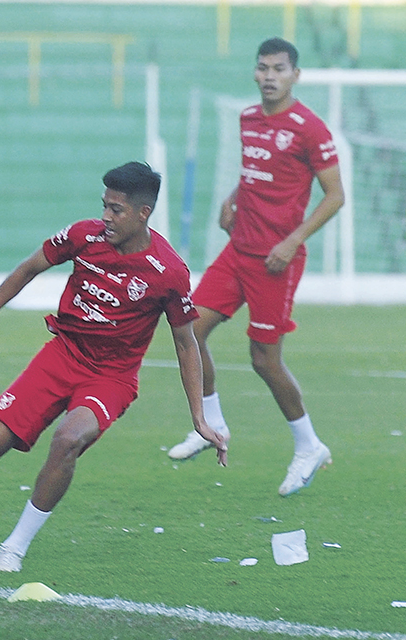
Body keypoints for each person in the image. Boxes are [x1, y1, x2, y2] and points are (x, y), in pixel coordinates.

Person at [0, 162, 227, 573]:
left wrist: (199, 418)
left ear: (143, 213)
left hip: (110, 378)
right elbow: (29, 267)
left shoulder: (168, 272)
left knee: (68, 440)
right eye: (103, 206)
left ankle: (13, 548)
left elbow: (185, 343)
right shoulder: (84, 236)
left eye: (116, 210)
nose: (105, 217)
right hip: (61, 356)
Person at [165, 37, 345, 497]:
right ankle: (212, 423)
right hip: (237, 249)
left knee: (263, 359)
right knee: (188, 328)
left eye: (279, 69)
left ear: (295, 75)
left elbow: (335, 196)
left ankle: (309, 446)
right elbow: (253, 174)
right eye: (263, 67)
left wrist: (293, 240)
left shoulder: (310, 128)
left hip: (275, 259)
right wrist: (231, 200)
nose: (269, 76)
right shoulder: (247, 118)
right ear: (255, 72)